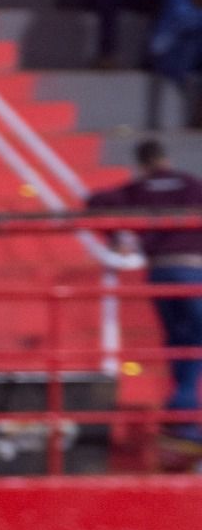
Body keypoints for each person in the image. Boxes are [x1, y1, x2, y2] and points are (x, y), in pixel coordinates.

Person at [88, 139, 202, 441]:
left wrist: (119, 236)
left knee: (177, 339)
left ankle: (183, 420)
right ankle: (183, 405)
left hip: (160, 270)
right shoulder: (191, 184)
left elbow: (94, 201)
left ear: (142, 163)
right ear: (168, 158)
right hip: (193, 268)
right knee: (194, 339)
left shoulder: (137, 189)